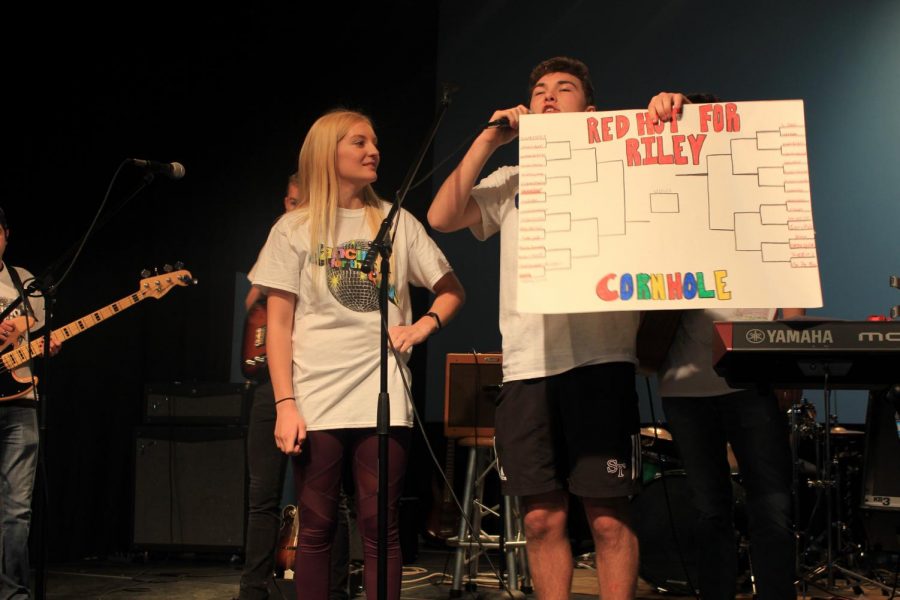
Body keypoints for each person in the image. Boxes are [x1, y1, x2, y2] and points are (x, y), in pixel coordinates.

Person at [428, 57, 649, 600]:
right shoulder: (512, 181)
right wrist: (490, 140)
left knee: (607, 520)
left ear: (590, 110)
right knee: (541, 521)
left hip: (600, 364)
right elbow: (441, 217)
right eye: (540, 90)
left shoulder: (619, 166)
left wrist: (673, 108)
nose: (548, 97)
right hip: (529, 368)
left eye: (564, 89)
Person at [252, 110, 465, 600]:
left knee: (379, 524)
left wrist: (424, 325)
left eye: (375, 142)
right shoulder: (294, 229)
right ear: (328, 152)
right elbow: (278, 326)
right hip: (316, 395)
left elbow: (451, 289)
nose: (374, 151)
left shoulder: (396, 223)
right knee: (317, 525)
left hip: (381, 394)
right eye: (359, 142)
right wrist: (285, 404)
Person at [0, 207, 61, 599]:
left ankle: (13, 594)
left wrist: (47, 343)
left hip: (21, 403)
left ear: (6, 234)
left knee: (17, 510)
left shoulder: (25, 283)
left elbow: (37, 340)